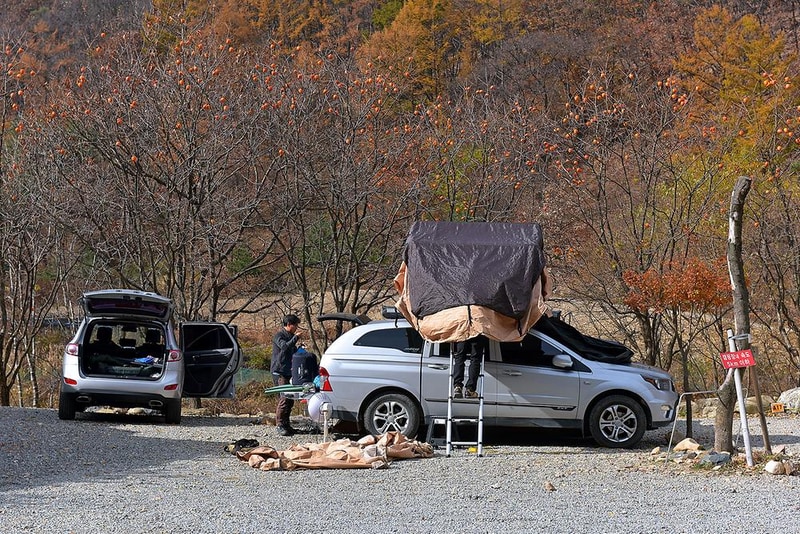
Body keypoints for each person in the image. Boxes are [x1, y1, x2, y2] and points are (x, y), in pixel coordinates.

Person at [271, 314, 303, 436]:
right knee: (284, 398)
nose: (296, 328)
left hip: (289, 371)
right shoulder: (279, 336)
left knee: (290, 399)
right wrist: (296, 338)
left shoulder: (290, 337)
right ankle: (279, 425)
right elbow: (284, 347)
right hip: (280, 372)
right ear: (289, 324)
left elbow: (291, 350)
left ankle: (286, 424)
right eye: (295, 325)